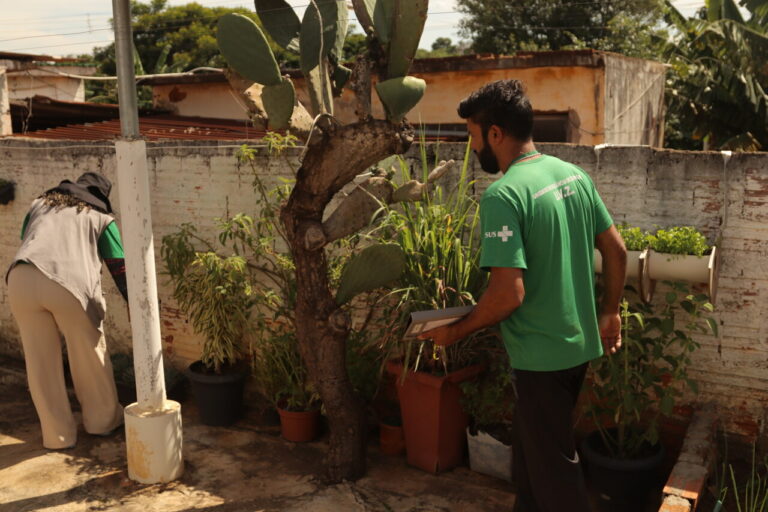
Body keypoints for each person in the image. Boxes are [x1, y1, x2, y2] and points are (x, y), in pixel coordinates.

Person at [419, 80, 627, 512]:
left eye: (474, 137)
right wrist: (610, 313)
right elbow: (616, 249)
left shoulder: (504, 194)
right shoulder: (573, 175)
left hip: (540, 358)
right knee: (533, 467)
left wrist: (454, 332)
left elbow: (508, 296)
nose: (473, 149)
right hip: (576, 347)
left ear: (496, 134)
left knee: (556, 476)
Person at [6, 172, 129, 450]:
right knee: (88, 353)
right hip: (67, 286)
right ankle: (103, 422)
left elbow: (30, 240)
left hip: (21, 279)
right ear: (99, 198)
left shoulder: (39, 205)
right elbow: (120, 267)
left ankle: (57, 436)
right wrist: (135, 303)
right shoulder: (100, 218)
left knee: (40, 363)